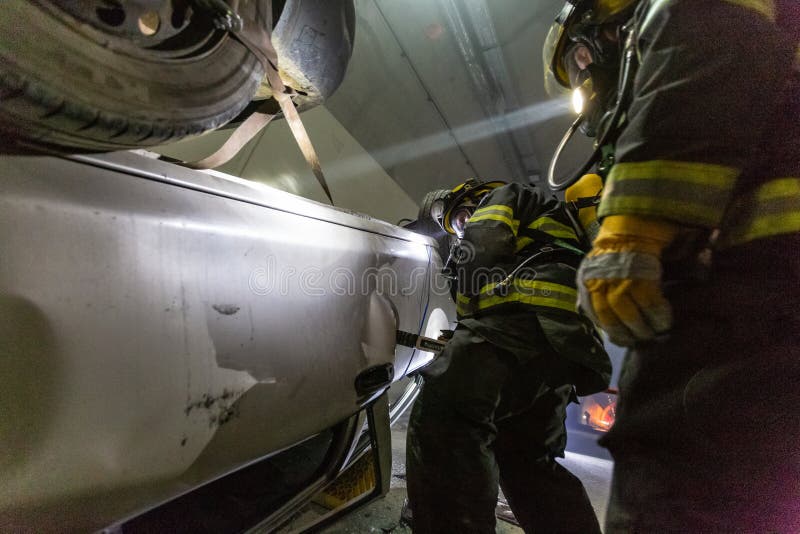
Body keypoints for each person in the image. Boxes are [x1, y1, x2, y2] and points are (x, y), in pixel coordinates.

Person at [544, 0, 800, 532]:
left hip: (747, 309)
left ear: (597, 38)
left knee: (678, 494)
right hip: (762, 306)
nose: (585, 88)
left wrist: (635, 222)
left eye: (577, 66)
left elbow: (710, 29)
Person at [405, 178, 612, 533]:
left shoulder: (504, 196)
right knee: (525, 461)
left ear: (474, 197)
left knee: (445, 419)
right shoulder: (545, 221)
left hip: (523, 321)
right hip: (562, 343)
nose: (460, 232)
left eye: (458, 221)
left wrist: (469, 328)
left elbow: (481, 251)